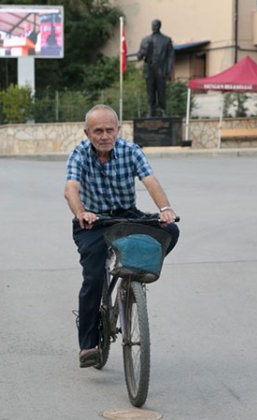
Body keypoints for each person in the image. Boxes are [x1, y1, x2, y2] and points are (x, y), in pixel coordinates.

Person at [64, 104, 180, 368]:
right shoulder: (79, 154)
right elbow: (70, 187)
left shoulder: (131, 151)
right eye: (97, 131)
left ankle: (136, 274)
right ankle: (89, 344)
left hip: (126, 215)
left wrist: (165, 209)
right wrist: (81, 212)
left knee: (170, 230)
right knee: (93, 279)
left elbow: (149, 181)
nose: (104, 136)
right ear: (87, 133)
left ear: (118, 130)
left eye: (109, 130)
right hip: (93, 222)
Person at [137, 19, 175, 118]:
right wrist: (144, 51)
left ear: (159, 26)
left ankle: (163, 110)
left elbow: (171, 56)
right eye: (153, 25)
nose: (154, 27)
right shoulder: (146, 40)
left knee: (161, 91)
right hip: (149, 70)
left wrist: (168, 70)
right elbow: (139, 56)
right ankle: (151, 111)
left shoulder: (166, 40)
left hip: (161, 69)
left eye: (156, 25)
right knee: (150, 92)